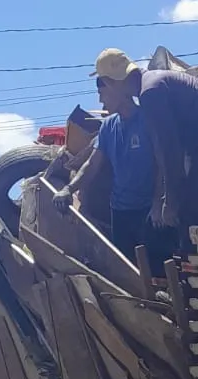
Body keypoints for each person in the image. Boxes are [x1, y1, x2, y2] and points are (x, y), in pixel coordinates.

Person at [86, 49, 198, 254]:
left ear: (111, 82)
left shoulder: (151, 93)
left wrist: (170, 202)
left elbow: (168, 151)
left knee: (193, 223)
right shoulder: (152, 85)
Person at [53, 89, 154, 264]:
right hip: (121, 210)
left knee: (156, 270)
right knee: (127, 270)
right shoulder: (108, 126)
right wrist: (68, 189)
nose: (101, 101)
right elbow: (91, 164)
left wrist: (161, 203)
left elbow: (163, 162)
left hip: (149, 209)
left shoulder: (147, 120)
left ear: (119, 91)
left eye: (103, 93)